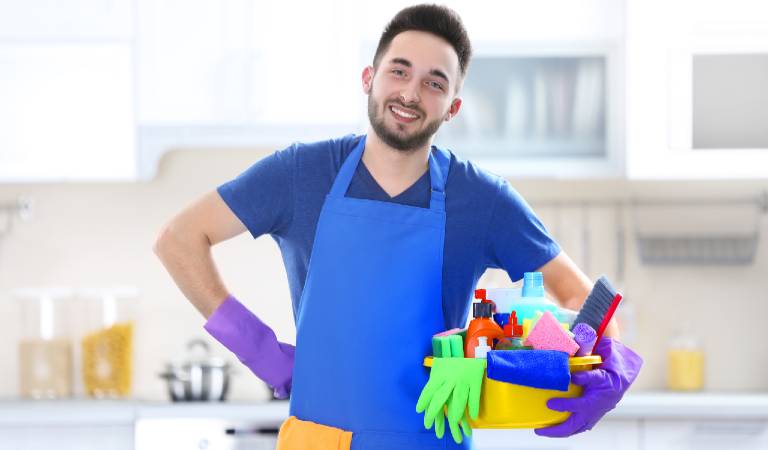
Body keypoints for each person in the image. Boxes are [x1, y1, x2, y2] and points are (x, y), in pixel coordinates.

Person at [153, 4, 642, 450]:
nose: (410, 93)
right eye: (399, 71)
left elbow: (583, 301)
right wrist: (258, 349)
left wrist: (600, 367)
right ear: (369, 77)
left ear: (452, 106)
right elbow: (179, 240)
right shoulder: (301, 175)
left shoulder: (482, 199)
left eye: (434, 82)